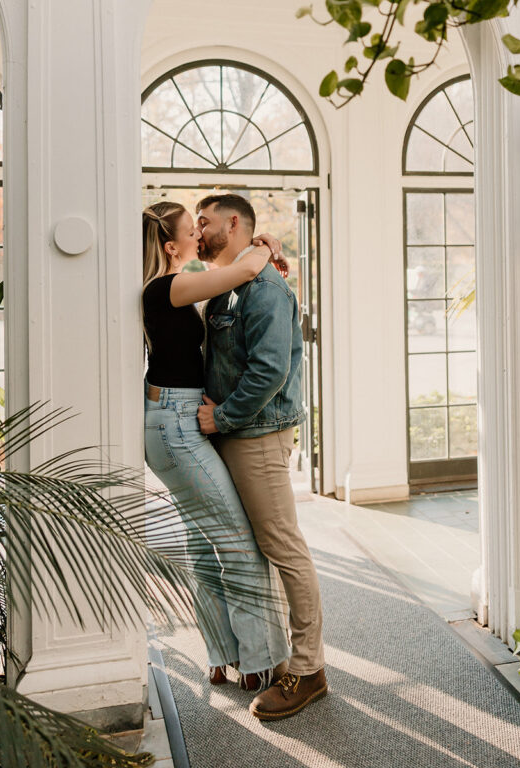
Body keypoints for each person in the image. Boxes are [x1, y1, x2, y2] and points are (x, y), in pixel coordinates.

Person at [142, 200, 291, 690]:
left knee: (202, 544)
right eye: (192, 227)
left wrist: (262, 244)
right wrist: (265, 244)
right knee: (239, 542)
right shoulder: (173, 286)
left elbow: (239, 267)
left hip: (171, 419)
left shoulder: (177, 284)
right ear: (171, 246)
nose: (199, 233)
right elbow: (248, 265)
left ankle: (222, 654)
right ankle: (260, 662)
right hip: (177, 426)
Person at [195, 193, 327, 721]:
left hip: (257, 437)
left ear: (233, 223)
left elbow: (270, 371)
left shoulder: (266, 289)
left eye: (204, 221)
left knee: (283, 547)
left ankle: (309, 668)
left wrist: (221, 418)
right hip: (231, 435)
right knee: (253, 547)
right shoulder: (228, 284)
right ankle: (272, 656)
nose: (199, 230)